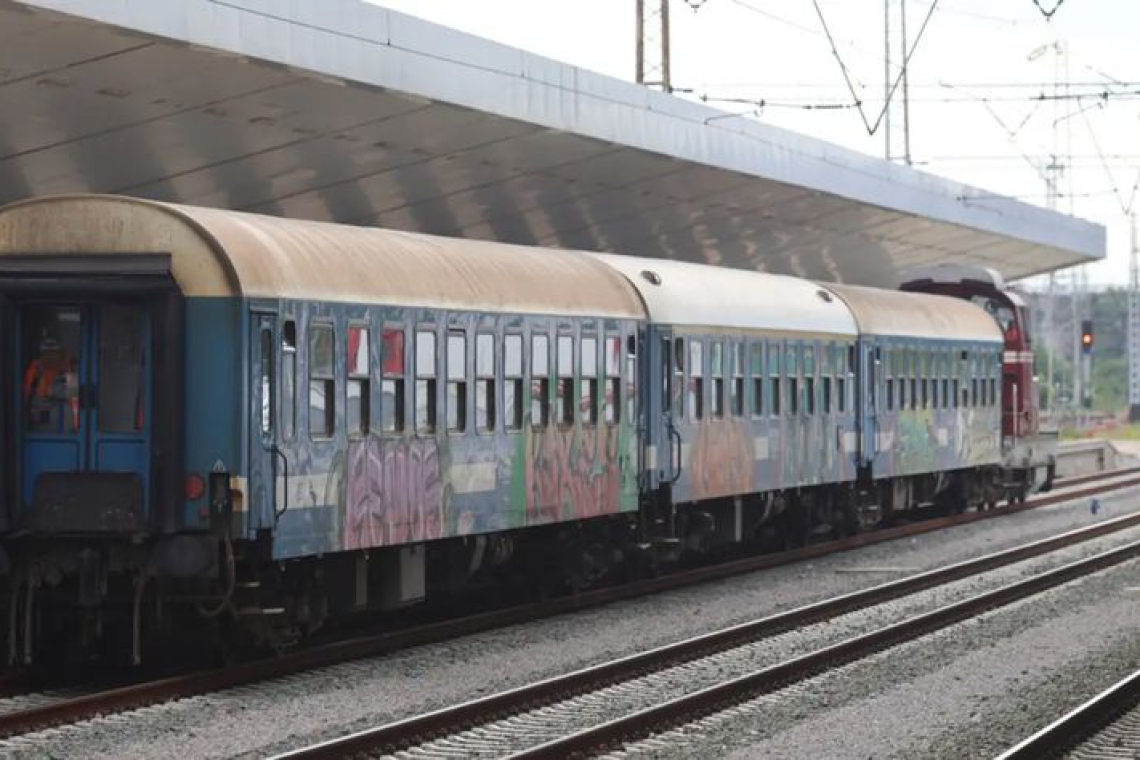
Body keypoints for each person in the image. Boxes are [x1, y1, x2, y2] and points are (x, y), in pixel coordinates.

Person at [23, 335, 79, 433]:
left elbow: (74, 396)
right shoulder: (33, 372)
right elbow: (24, 399)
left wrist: (51, 391)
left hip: (63, 431)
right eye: (46, 353)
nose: (50, 357)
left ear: (60, 354)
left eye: (54, 353)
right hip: (36, 431)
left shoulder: (70, 372)